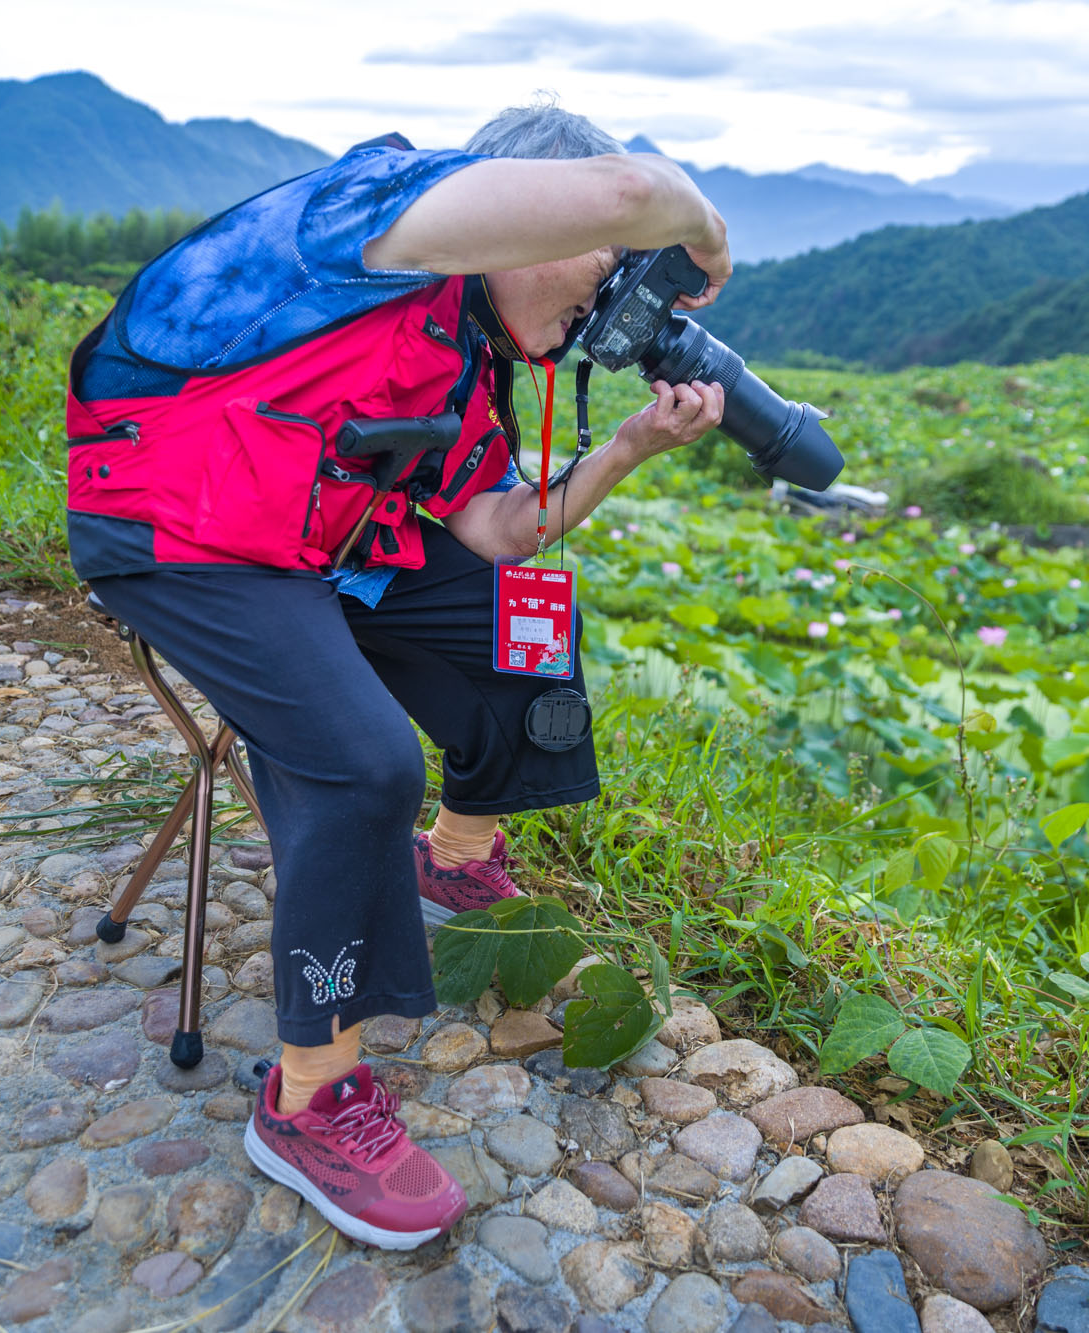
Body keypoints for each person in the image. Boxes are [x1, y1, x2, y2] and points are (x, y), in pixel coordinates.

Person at [62, 104, 730, 1250]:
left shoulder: (464, 353)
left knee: (523, 630)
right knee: (362, 761)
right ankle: (308, 1096)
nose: (609, 291)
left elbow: (501, 530)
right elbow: (633, 194)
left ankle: (453, 857)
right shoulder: (366, 218)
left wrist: (625, 449)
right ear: (516, 205)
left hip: (319, 546)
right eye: (604, 268)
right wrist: (701, 242)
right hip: (178, 533)